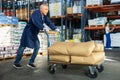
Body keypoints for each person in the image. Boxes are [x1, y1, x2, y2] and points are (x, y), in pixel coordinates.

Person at [13, 3, 58, 69]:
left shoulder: (44, 16)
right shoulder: (36, 13)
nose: (47, 11)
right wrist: (42, 27)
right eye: (45, 9)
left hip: (34, 33)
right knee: (23, 46)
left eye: (47, 9)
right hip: (28, 32)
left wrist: (55, 28)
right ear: (41, 9)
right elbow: (35, 21)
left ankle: (31, 62)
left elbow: (48, 22)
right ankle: (16, 63)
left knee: (37, 47)